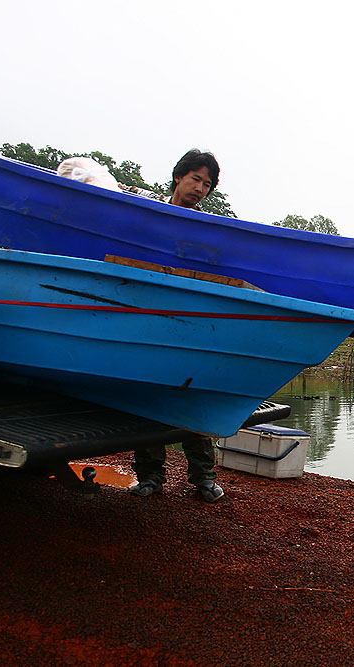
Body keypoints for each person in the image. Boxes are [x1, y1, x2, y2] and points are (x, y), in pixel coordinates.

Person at [129, 149, 225, 503]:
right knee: (148, 397)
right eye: (195, 179)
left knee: (192, 400)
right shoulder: (150, 216)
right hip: (148, 321)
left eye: (207, 184)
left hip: (190, 324)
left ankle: (203, 478)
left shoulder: (206, 230)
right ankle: (150, 477)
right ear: (178, 178)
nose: (200, 188)